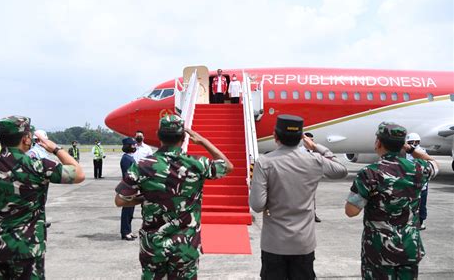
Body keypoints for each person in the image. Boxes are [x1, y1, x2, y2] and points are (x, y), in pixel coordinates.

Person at [114, 114, 233, 279]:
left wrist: (144, 198)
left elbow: (120, 200)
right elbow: (227, 166)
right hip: (185, 246)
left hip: (153, 246)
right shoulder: (197, 164)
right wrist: (203, 141)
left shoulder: (142, 165)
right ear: (184, 138)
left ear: (158, 135)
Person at [0, 116, 85, 279]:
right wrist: (55, 149)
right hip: (26, 248)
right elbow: (78, 174)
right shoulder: (38, 165)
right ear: (26, 138)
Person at [250, 115, 348, 280]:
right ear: (301, 138)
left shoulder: (265, 162)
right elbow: (341, 170)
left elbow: (257, 205)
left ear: (275, 136)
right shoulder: (315, 160)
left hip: (274, 243)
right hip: (303, 243)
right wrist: (317, 147)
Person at [345, 122, 438, 280]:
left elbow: (351, 211)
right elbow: (433, 163)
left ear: (378, 143)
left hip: (378, 250)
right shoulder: (418, 169)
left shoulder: (369, 174)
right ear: (402, 145)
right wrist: (412, 149)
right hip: (409, 248)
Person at [405, 133, 428, 230]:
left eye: (416, 142)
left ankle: (420, 222)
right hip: (410, 184)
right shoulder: (405, 153)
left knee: (421, 205)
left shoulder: (421, 151)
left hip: (421, 185)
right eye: (410, 142)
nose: (413, 144)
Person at [299, 132, 322, 223]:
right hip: (301, 178)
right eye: (309, 140)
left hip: (312, 178)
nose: (311, 142)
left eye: (312, 140)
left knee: (312, 197)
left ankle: (313, 214)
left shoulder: (315, 151)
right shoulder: (299, 151)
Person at [120, 137, 139, 241]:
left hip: (132, 187)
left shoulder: (129, 157)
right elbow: (128, 174)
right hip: (128, 187)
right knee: (127, 211)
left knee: (130, 211)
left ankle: (129, 231)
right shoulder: (126, 159)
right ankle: (125, 232)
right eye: (132, 145)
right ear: (127, 146)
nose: (134, 146)